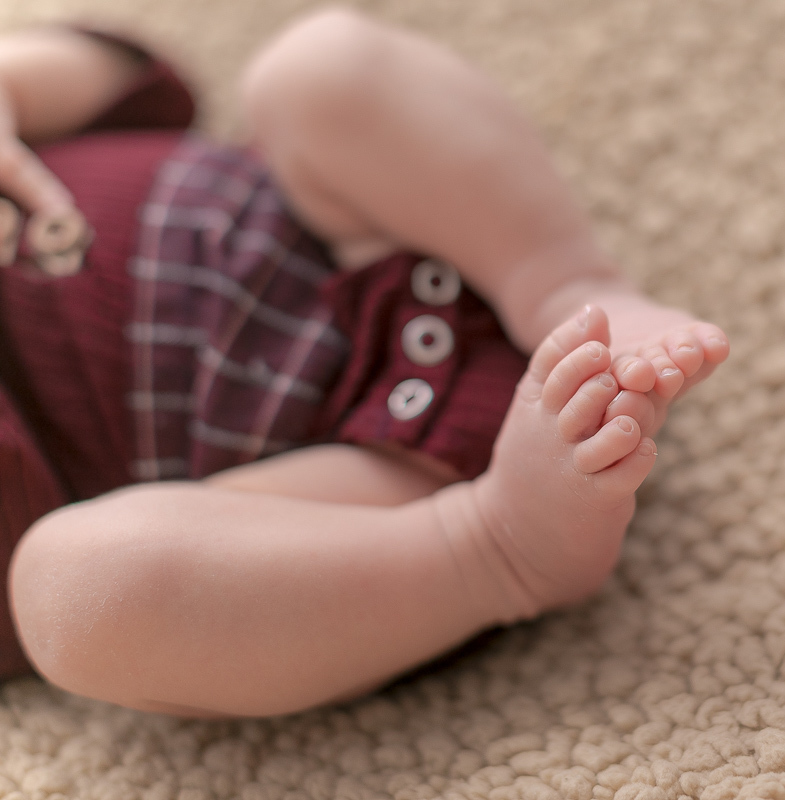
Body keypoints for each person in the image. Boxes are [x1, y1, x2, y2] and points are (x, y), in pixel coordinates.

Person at [0, 7, 728, 717]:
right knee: (72, 594)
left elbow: (136, 77)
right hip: (357, 472)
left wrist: (16, 83)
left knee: (320, 65)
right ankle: (498, 547)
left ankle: (570, 286)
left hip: (358, 219)